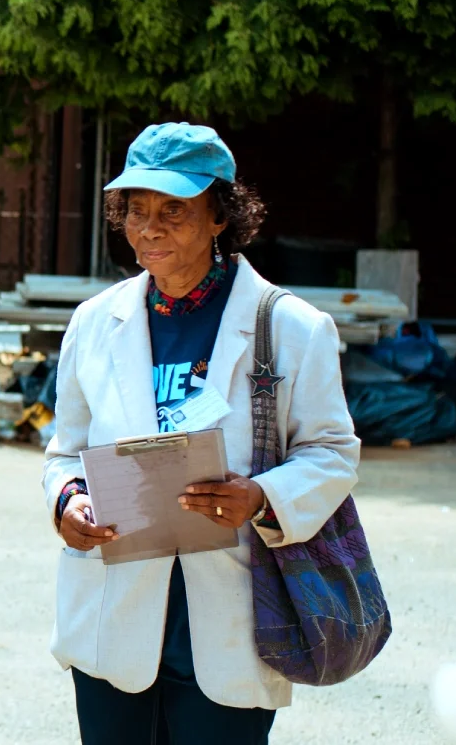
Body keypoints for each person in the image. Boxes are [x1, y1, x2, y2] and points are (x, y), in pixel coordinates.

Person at [43, 122, 361, 744]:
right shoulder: (94, 323)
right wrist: (68, 501)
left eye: (174, 210)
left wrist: (261, 497)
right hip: (113, 610)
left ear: (220, 215)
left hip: (231, 616)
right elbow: (65, 451)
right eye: (136, 210)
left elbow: (332, 453)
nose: (149, 228)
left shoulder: (291, 328)